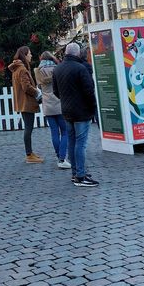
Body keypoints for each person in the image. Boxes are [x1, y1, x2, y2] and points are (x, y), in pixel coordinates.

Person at [53, 42, 99, 187]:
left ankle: (75, 173)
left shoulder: (58, 69)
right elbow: (89, 91)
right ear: (77, 53)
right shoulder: (80, 68)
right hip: (81, 111)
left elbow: (55, 91)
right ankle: (80, 175)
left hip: (67, 110)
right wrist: (93, 108)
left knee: (72, 143)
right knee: (81, 144)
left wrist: (66, 100)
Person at [34, 51, 70, 169]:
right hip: (59, 103)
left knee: (54, 132)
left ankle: (58, 155)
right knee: (64, 131)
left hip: (47, 104)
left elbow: (38, 87)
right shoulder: (58, 69)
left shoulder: (38, 71)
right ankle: (62, 158)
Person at [8, 46, 43, 163]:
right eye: (29, 53)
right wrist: (37, 92)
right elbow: (26, 87)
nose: (31, 55)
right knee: (28, 128)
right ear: (24, 55)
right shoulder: (22, 69)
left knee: (28, 128)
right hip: (26, 102)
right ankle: (29, 155)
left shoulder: (17, 68)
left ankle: (30, 152)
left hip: (23, 102)